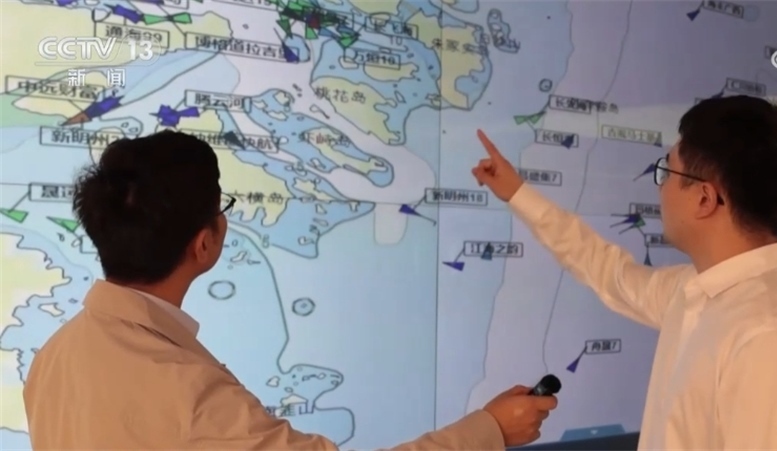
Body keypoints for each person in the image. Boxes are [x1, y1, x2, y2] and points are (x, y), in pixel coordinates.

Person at [23, 130, 557, 449]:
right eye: (221, 207)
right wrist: (490, 431)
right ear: (204, 243)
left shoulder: (55, 356)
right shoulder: (188, 394)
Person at [471, 95, 777, 450]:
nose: (661, 188)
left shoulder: (769, 337)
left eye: (667, 171)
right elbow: (608, 271)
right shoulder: (694, 290)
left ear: (705, 199)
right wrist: (518, 193)